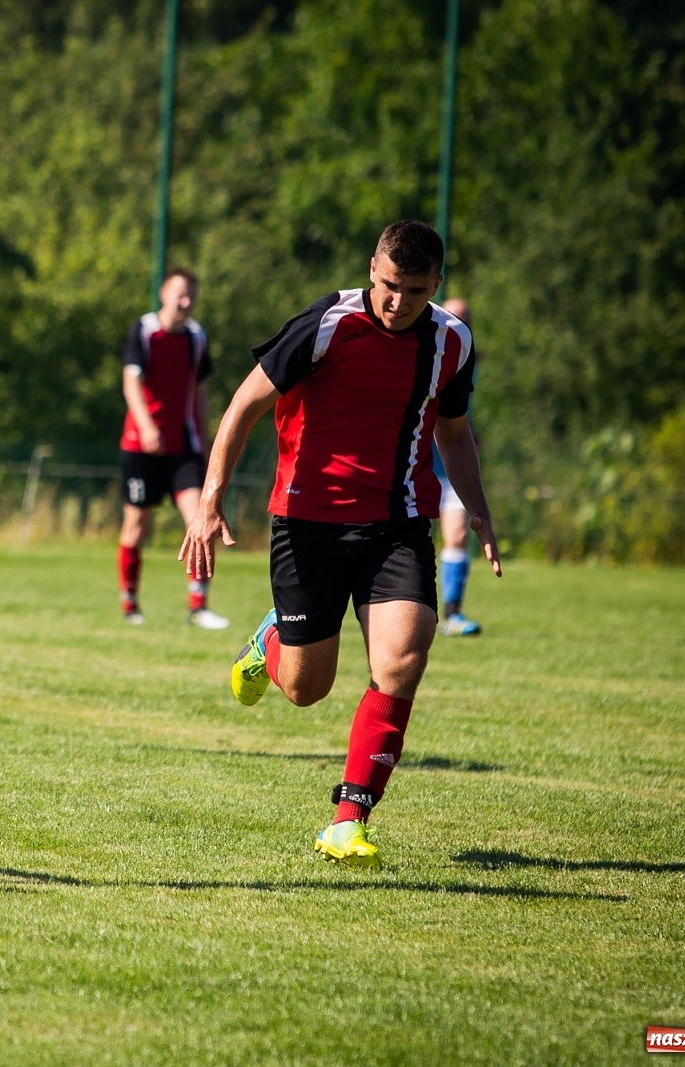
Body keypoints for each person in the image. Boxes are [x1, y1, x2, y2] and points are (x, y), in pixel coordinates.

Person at [180, 220, 500, 869]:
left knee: (403, 659)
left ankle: (347, 821)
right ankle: (271, 641)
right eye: (389, 285)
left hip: (397, 522)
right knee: (307, 688)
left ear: (436, 285)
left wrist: (478, 507)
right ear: (372, 269)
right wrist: (210, 499)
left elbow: (454, 432)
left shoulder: (452, 341)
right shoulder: (327, 322)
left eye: (415, 291)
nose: (397, 302)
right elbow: (242, 405)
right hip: (307, 521)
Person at [116, 266, 228, 630]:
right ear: (163, 293)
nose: (185, 301)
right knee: (136, 526)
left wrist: (209, 444)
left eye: (191, 295)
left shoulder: (196, 337)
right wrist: (148, 427)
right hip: (141, 448)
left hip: (184, 448)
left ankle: (199, 606)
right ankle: (130, 605)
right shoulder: (144, 331)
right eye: (180, 294)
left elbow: (200, 390)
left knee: (200, 520)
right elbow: (131, 384)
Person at [432, 297, 481, 636]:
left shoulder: (466, 357)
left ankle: (452, 614)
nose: (457, 324)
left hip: (449, 466)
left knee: (458, 534)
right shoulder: (420, 350)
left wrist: (469, 436)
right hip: (415, 463)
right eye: (451, 316)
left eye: (464, 320)